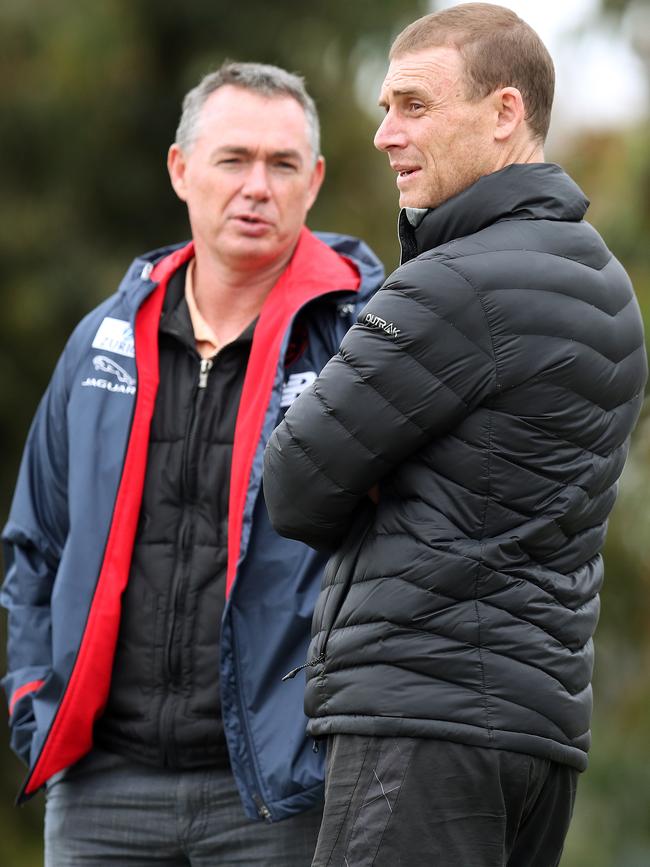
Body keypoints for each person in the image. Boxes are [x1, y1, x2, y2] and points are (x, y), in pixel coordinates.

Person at [263, 5, 648, 865]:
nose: (384, 134)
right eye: (383, 107)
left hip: (421, 726)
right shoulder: (608, 284)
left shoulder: (450, 283)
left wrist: (374, 471)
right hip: (540, 737)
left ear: (505, 112)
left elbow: (292, 481)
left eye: (413, 106)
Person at [1, 61, 383, 865]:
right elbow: (35, 543)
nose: (257, 186)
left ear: (313, 182)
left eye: (282, 165)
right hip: (100, 788)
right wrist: (34, 699)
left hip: (276, 796)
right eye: (233, 159)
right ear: (181, 169)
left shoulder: (363, 343)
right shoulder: (103, 340)